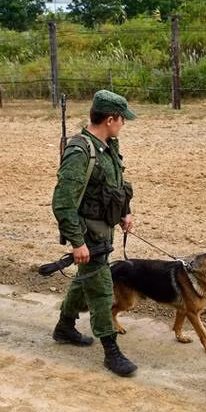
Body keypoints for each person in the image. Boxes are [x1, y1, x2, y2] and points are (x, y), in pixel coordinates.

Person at [51, 89, 138, 376]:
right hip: (88, 234)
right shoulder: (80, 152)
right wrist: (77, 243)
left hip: (104, 231)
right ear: (110, 119)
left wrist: (124, 212)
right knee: (102, 290)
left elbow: (116, 184)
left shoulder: (109, 146)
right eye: (122, 119)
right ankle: (111, 350)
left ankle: (64, 326)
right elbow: (63, 202)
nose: (123, 124)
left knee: (84, 279)